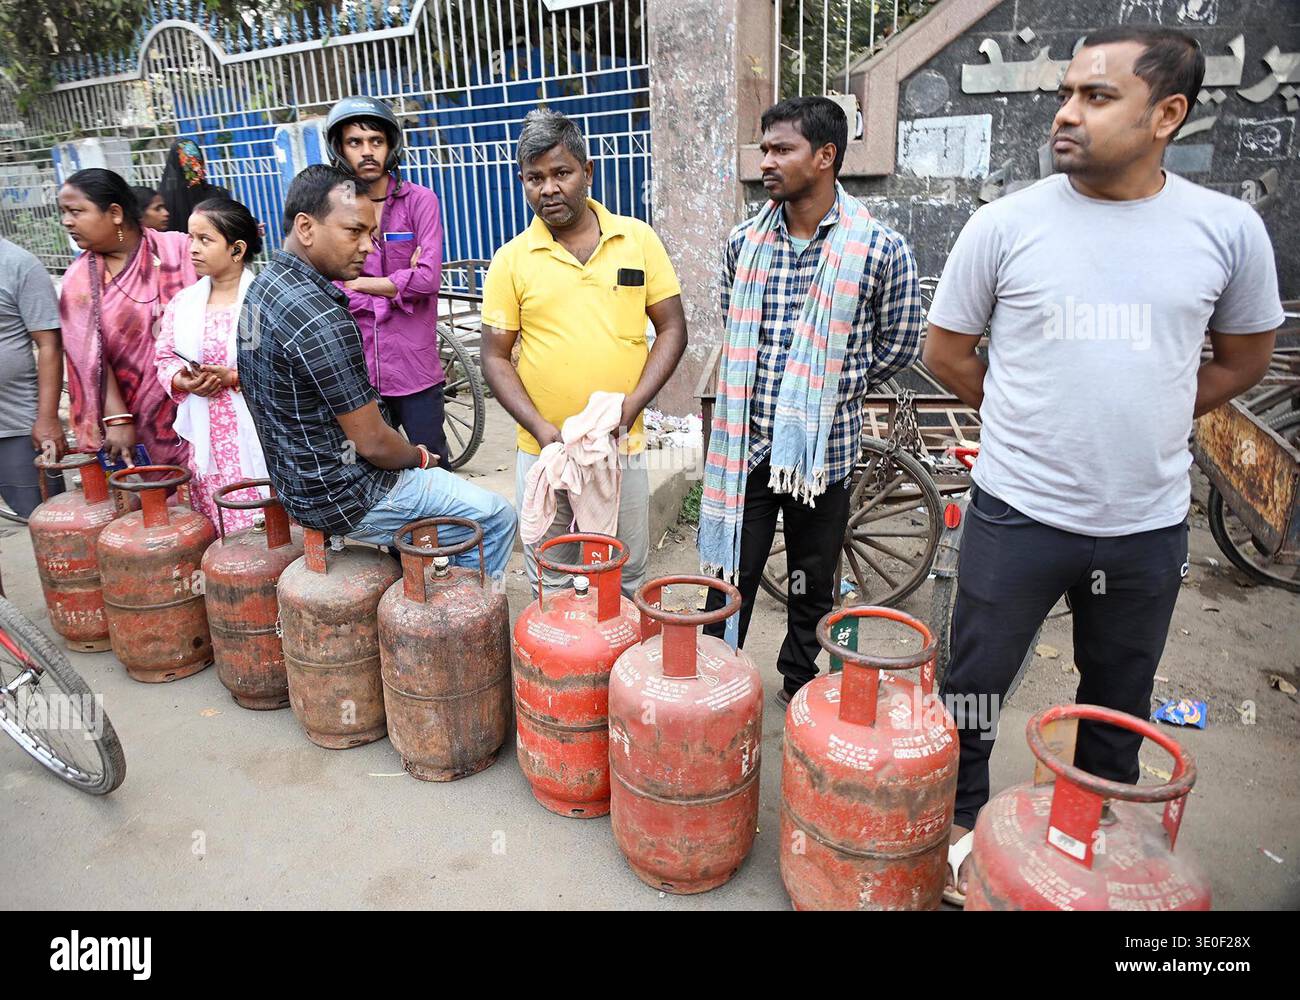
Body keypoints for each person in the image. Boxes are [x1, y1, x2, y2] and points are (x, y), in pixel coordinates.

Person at [922, 26, 1282, 906]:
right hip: (1016, 516)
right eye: (1066, 93)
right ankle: (964, 834)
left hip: (1144, 528)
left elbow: (1243, 358)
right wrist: (1029, 417)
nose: (1067, 114)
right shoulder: (1005, 224)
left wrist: (1151, 411)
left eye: (1096, 96)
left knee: (1116, 702)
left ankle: (1088, 850)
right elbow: (948, 351)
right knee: (973, 687)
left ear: (1167, 114)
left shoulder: (1225, 230)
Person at [698, 96, 924, 704]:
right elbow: (734, 329)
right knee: (730, 573)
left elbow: (900, 343)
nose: (765, 161)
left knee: (812, 579)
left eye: (781, 149)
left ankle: (799, 679)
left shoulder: (878, 248)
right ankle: (719, 675)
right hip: (746, 445)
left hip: (824, 450)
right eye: (763, 149)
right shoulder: (743, 244)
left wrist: (834, 386)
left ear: (825, 157)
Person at [238, 165, 516, 576]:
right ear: (306, 227)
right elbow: (373, 444)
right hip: (347, 496)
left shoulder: (262, 286)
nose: (369, 247)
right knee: (496, 517)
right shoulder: (321, 317)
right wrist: (420, 457)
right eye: (355, 232)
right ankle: (457, 621)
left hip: (295, 486)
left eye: (372, 233)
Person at [481, 109, 687, 598]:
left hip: (621, 448)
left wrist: (629, 409)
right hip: (543, 451)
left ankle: (614, 671)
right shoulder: (511, 261)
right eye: (534, 178)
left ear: (587, 172)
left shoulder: (636, 240)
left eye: (561, 173)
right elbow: (494, 356)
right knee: (551, 576)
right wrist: (540, 428)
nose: (548, 188)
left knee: (626, 572)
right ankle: (558, 672)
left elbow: (672, 328)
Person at [325, 96, 450, 464]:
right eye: (355, 142)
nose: (367, 151)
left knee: (433, 465)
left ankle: (440, 525)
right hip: (359, 370)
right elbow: (331, 288)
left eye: (376, 141)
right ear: (340, 148)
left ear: (390, 146)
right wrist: (399, 287)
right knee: (368, 468)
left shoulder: (421, 202)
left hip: (416, 369)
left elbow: (428, 279)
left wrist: (360, 284)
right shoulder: (332, 210)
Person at [58, 168, 197, 468]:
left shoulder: (180, 250)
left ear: (116, 213)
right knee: (149, 506)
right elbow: (90, 359)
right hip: (132, 423)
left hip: (197, 403)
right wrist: (117, 417)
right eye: (64, 212)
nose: (67, 221)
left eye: (76, 211)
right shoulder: (78, 282)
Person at [154, 197, 268, 532]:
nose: (192, 248)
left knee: (263, 520)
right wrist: (183, 381)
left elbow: (284, 367)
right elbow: (164, 356)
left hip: (261, 432)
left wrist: (234, 377)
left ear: (237, 249)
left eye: (205, 240)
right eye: (191, 238)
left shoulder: (261, 299)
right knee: (221, 521)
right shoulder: (185, 303)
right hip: (209, 437)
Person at [0, 237, 65, 516]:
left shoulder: (18, 264)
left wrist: (48, 418)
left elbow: (50, 343)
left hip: (16, 424)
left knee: (43, 520)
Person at [159, 139, 227, 234]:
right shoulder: (218, 193)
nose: (194, 165)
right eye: (190, 161)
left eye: (195, 160)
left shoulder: (163, 201)